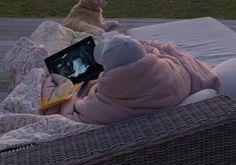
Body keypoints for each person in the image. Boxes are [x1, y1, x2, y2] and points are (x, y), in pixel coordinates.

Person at [44, 34, 220, 125]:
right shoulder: (172, 75)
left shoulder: (103, 104)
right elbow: (176, 61)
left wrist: (69, 89)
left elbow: (70, 117)